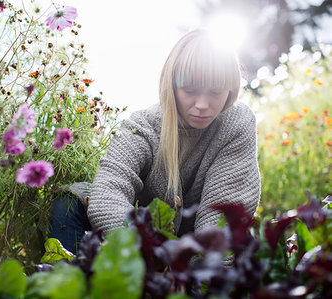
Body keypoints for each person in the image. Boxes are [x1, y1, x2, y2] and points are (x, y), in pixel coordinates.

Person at [48, 28, 261, 254]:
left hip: (196, 252)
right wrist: (149, 254)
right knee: (68, 204)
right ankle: (69, 281)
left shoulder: (236, 124)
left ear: (230, 90)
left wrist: (200, 276)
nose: (202, 104)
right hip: (146, 245)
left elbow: (221, 217)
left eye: (215, 92)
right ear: (172, 86)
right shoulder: (142, 127)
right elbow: (108, 193)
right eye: (190, 90)